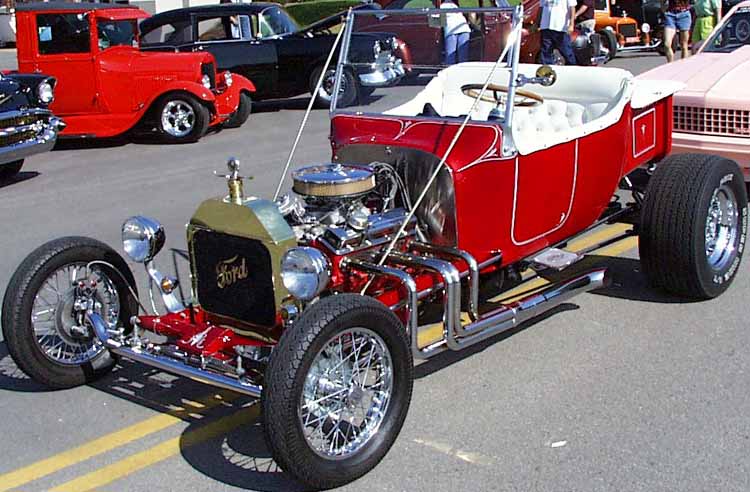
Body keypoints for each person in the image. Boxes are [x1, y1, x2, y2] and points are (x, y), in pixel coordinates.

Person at [539, 0, 578, 65]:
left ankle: (572, 66)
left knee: (566, 51)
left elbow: (572, 7)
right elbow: (541, 8)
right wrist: (538, 23)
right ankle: (547, 68)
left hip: (560, 27)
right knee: (546, 51)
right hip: (546, 26)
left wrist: (571, 24)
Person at [441, 0, 471, 65]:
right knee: (463, 56)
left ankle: (449, 70)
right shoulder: (455, 5)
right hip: (464, 29)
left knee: (450, 56)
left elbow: (435, 21)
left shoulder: (441, 6)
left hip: (451, 30)